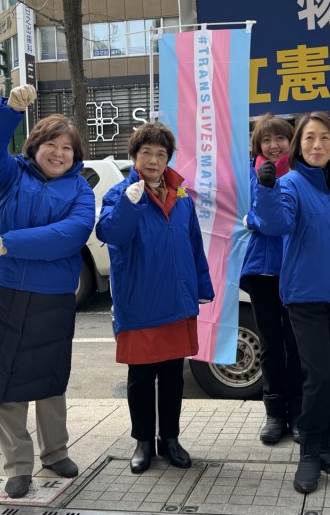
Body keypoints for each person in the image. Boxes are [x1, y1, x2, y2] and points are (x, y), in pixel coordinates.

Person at [0, 85, 96, 499]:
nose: (59, 153)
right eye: (51, 143)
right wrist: (9, 109)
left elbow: (69, 235)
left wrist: (9, 242)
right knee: (3, 378)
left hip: (52, 298)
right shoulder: (10, 174)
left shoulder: (80, 190)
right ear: (35, 146)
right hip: (4, 291)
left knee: (49, 378)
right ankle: (17, 465)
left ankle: (56, 451)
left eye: (67, 147)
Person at [96, 122, 214, 475]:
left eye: (160, 154)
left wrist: (202, 287)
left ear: (167, 160)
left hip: (177, 300)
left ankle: (171, 439)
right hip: (140, 301)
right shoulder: (120, 194)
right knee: (141, 377)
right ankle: (143, 442)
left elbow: (194, 245)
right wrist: (131, 204)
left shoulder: (181, 197)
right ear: (134, 156)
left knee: (174, 376)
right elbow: (110, 233)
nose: (153, 159)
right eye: (146, 152)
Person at [253, 111, 330, 494]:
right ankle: (309, 453)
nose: (317, 145)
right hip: (306, 300)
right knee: (319, 377)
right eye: (309, 138)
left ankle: (328, 444)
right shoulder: (289, 185)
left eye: (325, 139)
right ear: (299, 146)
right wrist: (265, 193)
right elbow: (275, 224)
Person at [241, 113, 303, 445]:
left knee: (296, 344)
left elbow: (262, 219)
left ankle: (298, 411)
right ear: (258, 145)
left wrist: (255, 218)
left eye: (280, 138)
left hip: (295, 270)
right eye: (266, 140)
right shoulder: (252, 174)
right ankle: (274, 414)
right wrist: (254, 218)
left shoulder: (299, 174)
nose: (274, 145)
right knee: (270, 346)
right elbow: (251, 215)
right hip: (262, 269)